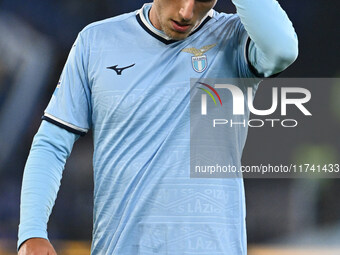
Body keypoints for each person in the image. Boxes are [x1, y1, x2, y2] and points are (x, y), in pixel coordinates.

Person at [18, 0, 298, 254]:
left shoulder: (234, 39)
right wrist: (31, 232)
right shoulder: (96, 41)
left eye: (202, 0)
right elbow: (51, 144)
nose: (186, 12)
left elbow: (283, 48)